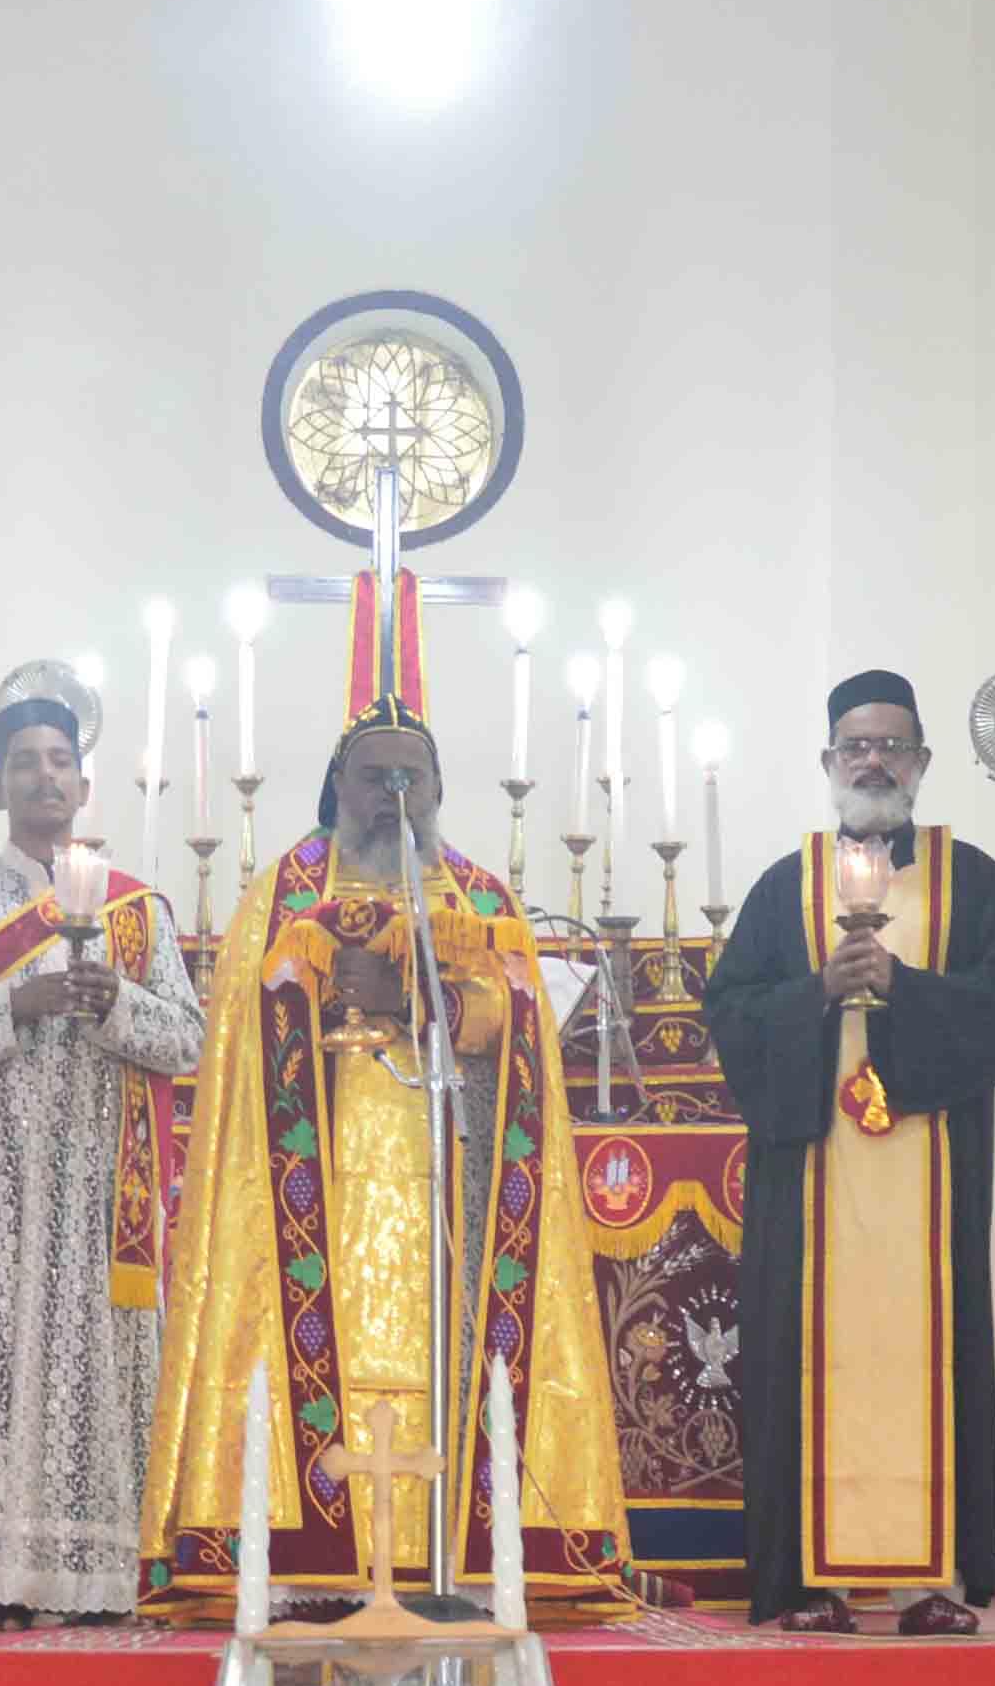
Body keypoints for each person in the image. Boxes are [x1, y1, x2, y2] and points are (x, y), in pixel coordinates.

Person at [144, 571, 639, 1620]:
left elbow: (523, 1045)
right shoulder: (281, 889)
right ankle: (309, 1559)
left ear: (440, 787)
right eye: (373, 776)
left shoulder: (481, 896)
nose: (392, 795)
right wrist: (319, 989)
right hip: (309, 1193)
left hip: (445, 1183)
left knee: (440, 1357)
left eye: (412, 775)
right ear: (336, 786)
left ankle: (457, 1555)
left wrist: (428, 1003)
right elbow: (235, 1059)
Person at [700, 668, 995, 1634]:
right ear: (828, 760)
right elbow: (731, 1013)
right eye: (856, 745)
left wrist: (905, 987)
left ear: (923, 762)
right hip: (811, 1174)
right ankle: (809, 1582)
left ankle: (933, 1583)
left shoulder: (973, 881)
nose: (873, 760)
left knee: (936, 1351)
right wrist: (818, 991)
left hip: (930, 1166)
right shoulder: (783, 885)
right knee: (810, 1360)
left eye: (892, 745)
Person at [0, 689, 206, 1624]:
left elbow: (186, 1040)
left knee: (92, 1367)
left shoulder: (138, 910)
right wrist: (9, 1010)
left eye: (58, 760)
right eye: (24, 761)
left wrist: (116, 1006)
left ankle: (96, 1574)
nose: (44, 776)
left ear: (84, 779)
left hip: (105, 1187)